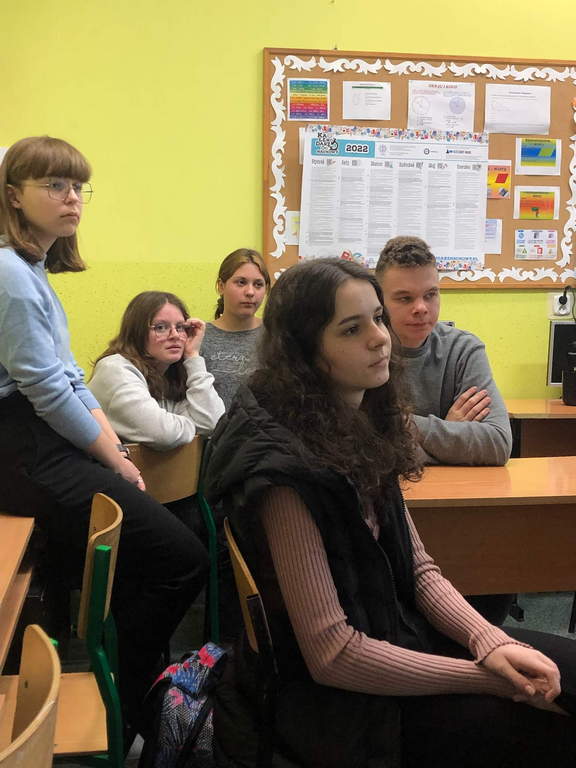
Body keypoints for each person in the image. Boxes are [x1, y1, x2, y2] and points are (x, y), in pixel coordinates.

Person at [204, 258, 576, 768]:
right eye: (351, 329)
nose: (381, 338)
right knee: (547, 726)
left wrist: (489, 641)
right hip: (342, 710)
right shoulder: (284, 473)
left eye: (377, 317)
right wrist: (483, 677)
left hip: (393, 634)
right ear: (304, 351)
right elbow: (333, 655)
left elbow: (419, 570)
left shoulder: (359, 421)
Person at [0, 136, 208, 733]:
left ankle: (128, 691)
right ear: (13, 197)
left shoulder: (32, 270)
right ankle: (133, 698)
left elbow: (69, 376)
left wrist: (113, 451)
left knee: (149, 559)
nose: (72, 199)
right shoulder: (10, 273)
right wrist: (114, 460)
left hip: (40, 440)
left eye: (78, 187)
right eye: (55, 185)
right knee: (182, 559)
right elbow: (46, 390)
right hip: (23, 448)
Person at [375, 235, 512, 467]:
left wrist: (404, 425)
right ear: (379, 301)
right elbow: (357, 447)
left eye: (430, 295)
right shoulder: (364, 350)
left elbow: (498, 443)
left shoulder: (463, 349)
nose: (421, 308)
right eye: (405, 298)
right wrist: (451, 432)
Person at [89, 290, 224, 450]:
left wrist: (193, 356)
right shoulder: (114, 369)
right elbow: (163, 434)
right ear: (137, 333)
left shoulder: (170, 372)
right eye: (160, 327)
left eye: (180, 327)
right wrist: (195, 426)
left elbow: (214, 421)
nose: (175, 335)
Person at [201, 248, 270, 409]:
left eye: (258, 284)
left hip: (263, 424)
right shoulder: (199, 337)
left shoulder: (274, 336)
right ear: (221, 286)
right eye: (241, 282)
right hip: (213, 425)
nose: (250, 292)